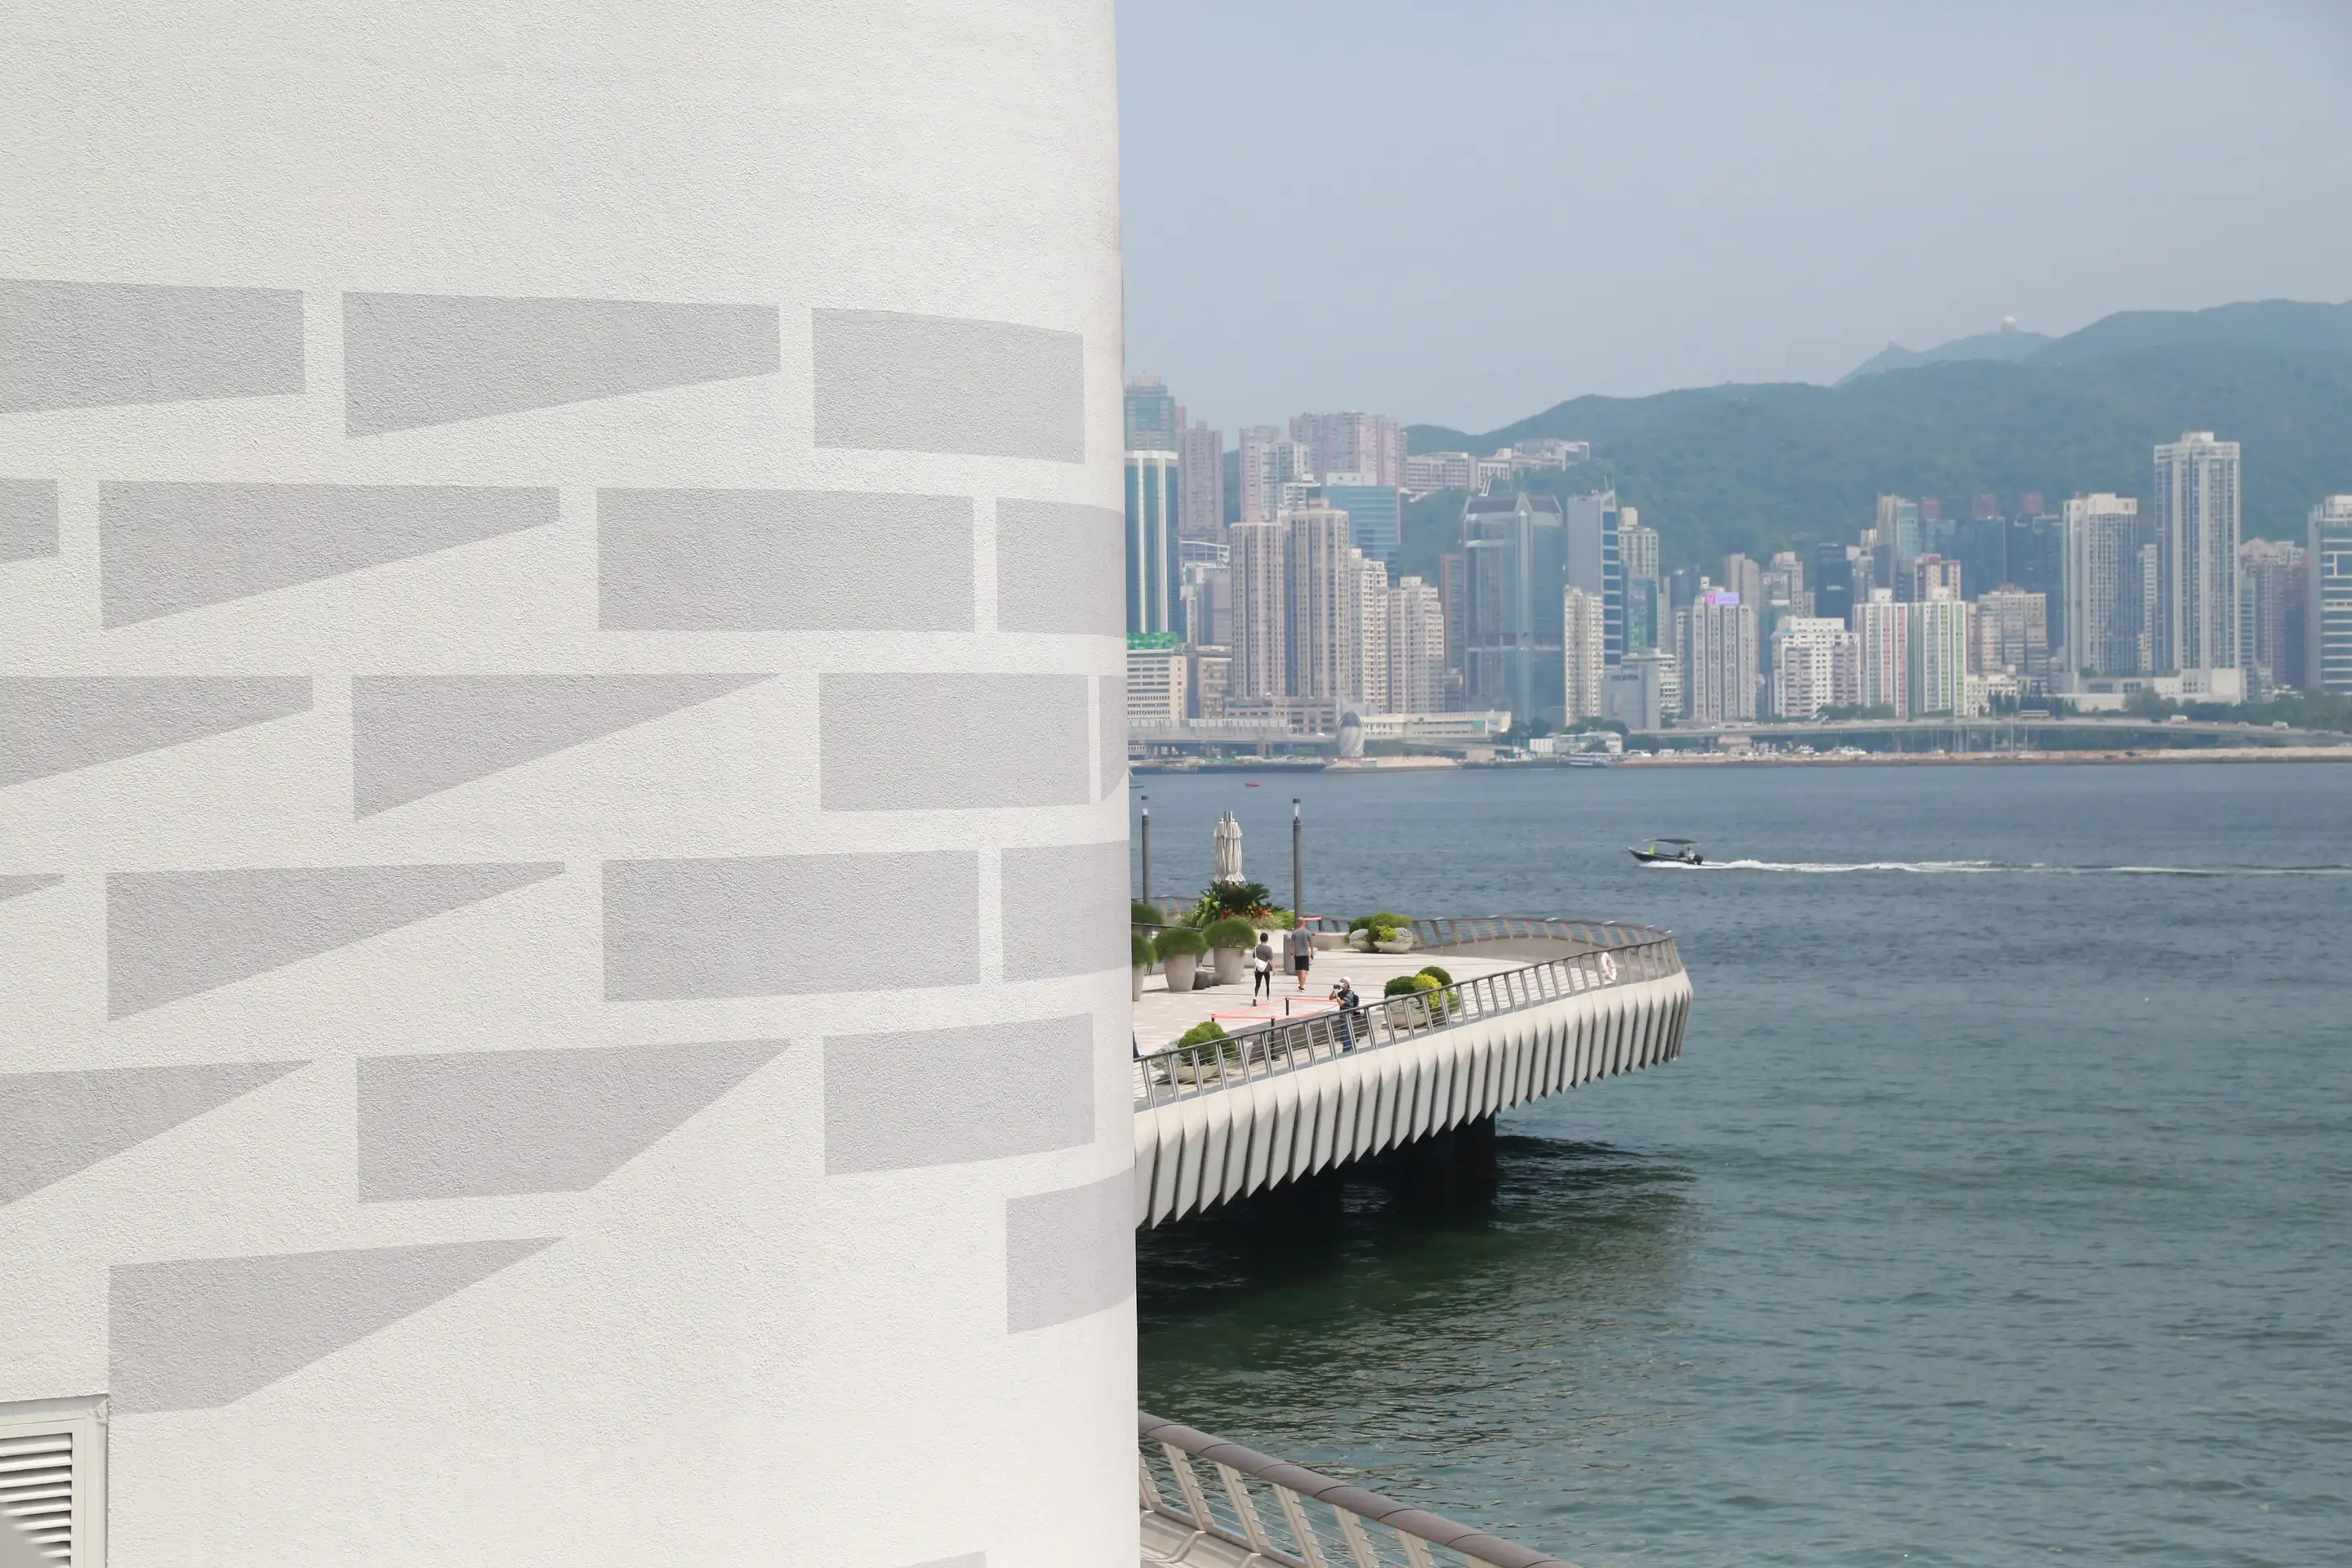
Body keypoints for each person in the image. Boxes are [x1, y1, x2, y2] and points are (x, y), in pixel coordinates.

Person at [1328, 975, 1361, 1051]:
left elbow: (1341, 1003)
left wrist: (1337, 997)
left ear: (1347, 983)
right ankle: (1349, 1049)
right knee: (1345, 1035)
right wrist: (1335, 990)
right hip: (1343, 1018)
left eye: (1343, 981)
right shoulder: (1342, 992)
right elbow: (1330, 998)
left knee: (1346, 1035)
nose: (1341, 982)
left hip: (1348, 1017)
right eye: (1341, 981)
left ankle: (1346, 1052)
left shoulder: (1350, 993)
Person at [1285, 925, 1313, 991]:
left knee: (1299, 971)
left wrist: (1292, 953)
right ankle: (1302, 986)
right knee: (1304, 970)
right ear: (1304, 924)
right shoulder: (1308, 932)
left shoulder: (1294, 933)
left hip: (1298, 954)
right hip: (1305, 954)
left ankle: (1301, 985)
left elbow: (1292, 944)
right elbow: (1311, 943)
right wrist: (1312, 952)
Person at [1251, 932, 1275, 1000]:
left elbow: (1254, 957)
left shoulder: (1256, 948)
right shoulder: (1269, 949)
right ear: (1267, 939)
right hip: (1266, 969)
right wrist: (1274, 969)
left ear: (1260, 939)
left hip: (1258, 968)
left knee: (1257, 984)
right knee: (1267, 984)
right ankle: (1268, 998)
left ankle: (1255, 997)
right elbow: (1271, 960)